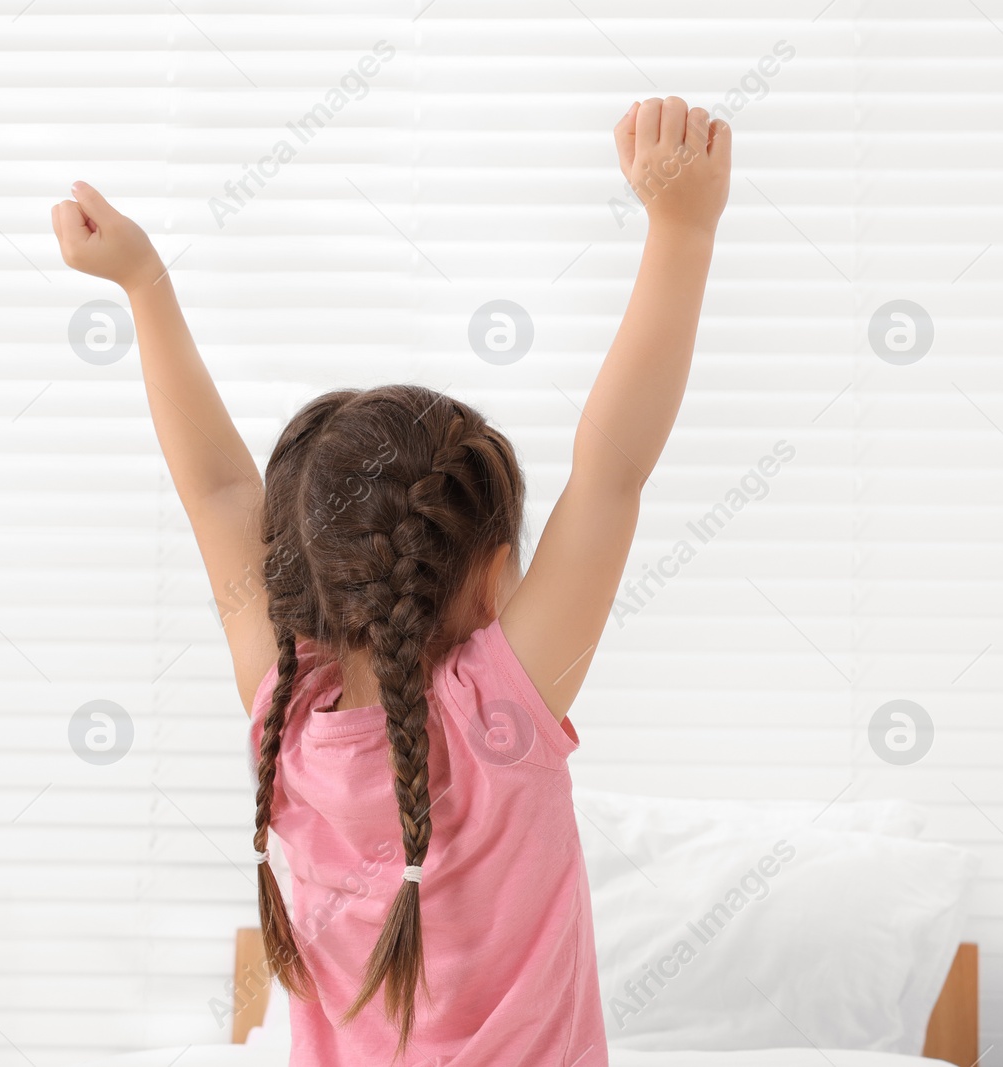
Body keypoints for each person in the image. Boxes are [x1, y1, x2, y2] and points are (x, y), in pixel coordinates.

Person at [50, 96, 730, 1067]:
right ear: (494, 579)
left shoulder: (284, 711)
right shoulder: (496, 714)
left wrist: (142, 283)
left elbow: (215, 488)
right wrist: (682, 225)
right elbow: (613, 466)